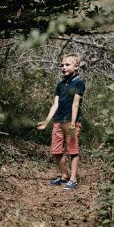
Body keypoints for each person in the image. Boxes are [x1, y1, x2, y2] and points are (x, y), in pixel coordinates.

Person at [37, 54, 85, 190]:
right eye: (62, 65)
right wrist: (46, 122)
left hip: (71, 122)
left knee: (72, 151)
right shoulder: (60, 85)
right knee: (56, 150)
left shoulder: (78, 83)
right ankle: (64, 176)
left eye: (67, 65)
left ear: (76, 67)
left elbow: (76, 104)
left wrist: (72, 123)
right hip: (58, 121)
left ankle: (73, 179)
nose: (64, 67)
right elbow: (55, 105)